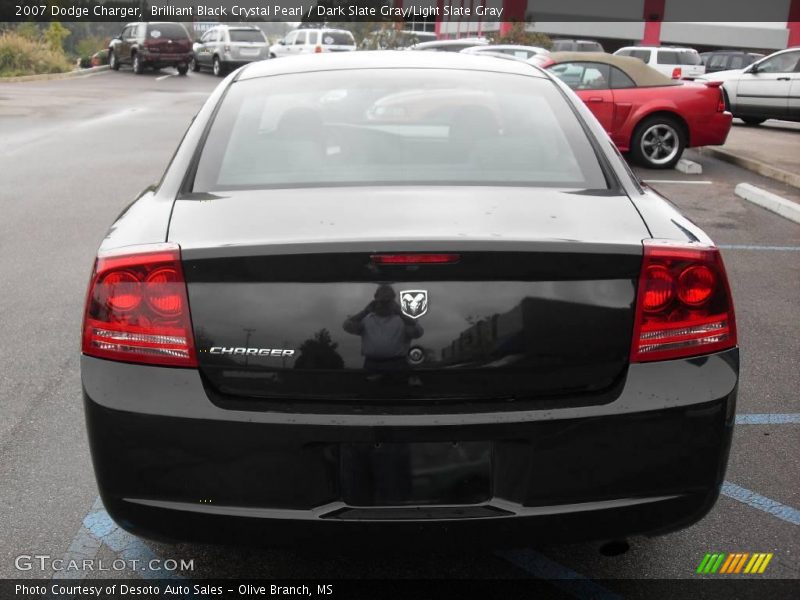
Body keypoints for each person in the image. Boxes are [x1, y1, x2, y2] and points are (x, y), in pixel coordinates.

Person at [343, 284, 423, 373]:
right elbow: (347, 326)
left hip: (398, 365)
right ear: (375, 299)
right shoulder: (365, 319)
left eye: (388, 300)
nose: (384, 303)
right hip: (372, 365)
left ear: (393, 301)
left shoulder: (403, 320)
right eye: (381, 300)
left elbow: (417, 332)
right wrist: (365, 311)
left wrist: (401, 314)